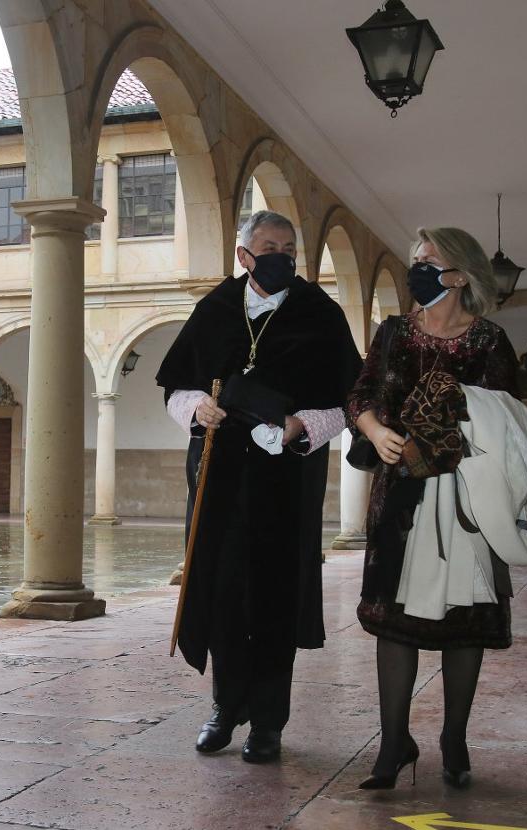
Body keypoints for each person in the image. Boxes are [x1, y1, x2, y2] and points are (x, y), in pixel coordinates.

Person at [156, 210, 362, 763]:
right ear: (244, 255)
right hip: (219, 478)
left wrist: (303, 427)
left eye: (289, 248)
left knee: (273, 597)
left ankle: (268, 722)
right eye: (268, 246)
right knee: (223, 595)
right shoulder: (214, 311)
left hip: (284, 481)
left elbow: (349, 400)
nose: (281, 256)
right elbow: (176, 384)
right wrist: (198, 409)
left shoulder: (321, 314)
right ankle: (226, 707)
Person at [347, 226, 520, 790]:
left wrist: (447, 431)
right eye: (414, 260)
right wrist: (375, 431)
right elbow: (362, 394)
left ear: (460, 276)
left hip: (467, 497)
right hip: (399, 496)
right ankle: (392, 744)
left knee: (463, 620)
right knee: (395, 622)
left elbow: (504, 418)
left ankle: (453, 737)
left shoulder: (490, 341)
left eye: (429, 261)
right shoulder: (393, 332)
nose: (417, 269)